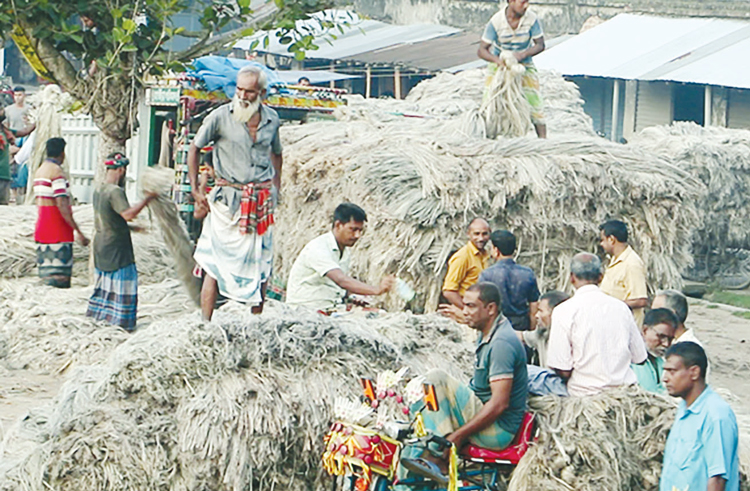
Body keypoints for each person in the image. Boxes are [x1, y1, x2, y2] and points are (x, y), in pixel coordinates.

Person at [189, 65, 283, 320]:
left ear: (261, 92)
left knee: (261, 264)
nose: (242, 96)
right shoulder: (220, 116)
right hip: (226, 202)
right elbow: (194, 149)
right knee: (213, 264)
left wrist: (277, 187)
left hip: (260, 200)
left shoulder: (272, 119)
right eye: (239, 89)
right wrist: (196, 191)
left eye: (249, 91)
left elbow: (277, 153)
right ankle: (205, 324)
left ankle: (255, 323)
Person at [404, 282, 528, 474]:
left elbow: (499, 404)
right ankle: (420, 468)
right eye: (464, 305)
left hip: (498, 431)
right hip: (483, 413)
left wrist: (458, 436)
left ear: (491, 309)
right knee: (422, 407)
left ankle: (437, 456)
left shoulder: (501, 344)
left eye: (471, 306)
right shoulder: (487, 332)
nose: (465, 311)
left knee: (436, 378)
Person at [546, 252, 648, 397]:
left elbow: (563, 368)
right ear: (600, 277)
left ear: (571, 278)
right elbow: (640, 357)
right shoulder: (621, 308)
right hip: (624, 395)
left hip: (583, 396)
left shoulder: (563, 311)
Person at [86, 153, 156, 330]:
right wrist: (148, 199)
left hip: (101, 245)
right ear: (121, 169)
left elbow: (109, 219)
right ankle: (120, 322)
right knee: (122, 282)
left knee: (104, 284)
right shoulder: (115, 192)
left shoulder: (99, 190)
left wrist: (133, 229)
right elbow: (128, 214)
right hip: (116, 248)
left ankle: (101, 316)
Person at [285, 203, 394, 312]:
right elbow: (340, 280)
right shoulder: (318, 248)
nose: (357, 236)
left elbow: (336, 286)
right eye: (353, 229)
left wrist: (354, 296)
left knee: (379, 313)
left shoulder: (345, 252)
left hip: (332, 308)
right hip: (307, 309)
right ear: (338, 225)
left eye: (360, 231)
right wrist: (377, 290)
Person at [661, 342, 739, 491]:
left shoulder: (716, 415)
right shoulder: (684, 408)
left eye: (672, 371)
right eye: (665, 371)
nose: (665, 378)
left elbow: (717, 479)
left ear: (694, 372)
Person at [478, 0, 547, 138]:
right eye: (522, 2)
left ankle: (543, 140)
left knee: (534, 100)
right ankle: (486, 135)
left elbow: (540, 45)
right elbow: (482, 50)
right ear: (511, 1)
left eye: (527, 2)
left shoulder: (531, 19)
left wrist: (522, 55)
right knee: (489, 101)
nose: (526, 5)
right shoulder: (496, 22)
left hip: (524, 64)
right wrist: (498, 61)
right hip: (500, 64)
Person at [32, 137, 89, 287]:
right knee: (60, 281)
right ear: (62, 153)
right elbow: (62, 203)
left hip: (42, 229)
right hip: (58, 230)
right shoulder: (56, 172)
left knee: (46, 282)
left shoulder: (40, 171)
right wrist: (78, 230)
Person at [477, 230, 540, 331]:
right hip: (521, 327)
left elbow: (481, 306)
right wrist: (531, 332)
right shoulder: (528, 273)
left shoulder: (486, 275)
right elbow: (534, 308)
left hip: (496, 328)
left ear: (496, 250)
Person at [599, 219, 648, 326]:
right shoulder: (615, 260)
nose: (601, 244)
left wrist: (611, 306)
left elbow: (641, 300)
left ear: (611, 239)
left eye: (603, 240)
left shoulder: (631, 263)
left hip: (626, 328)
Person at [441, 218, 491, 309]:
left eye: (485, 234)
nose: (481, 238)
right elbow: (449, 291)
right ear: (468, 234)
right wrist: (467, 310)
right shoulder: (462, 257)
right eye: (476, 234)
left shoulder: (487, 255)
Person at [631, 308, 678, 394]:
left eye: (670, 339)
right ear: (645, 331)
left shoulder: (663, 362)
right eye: (661, 336)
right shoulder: (629, 361)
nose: (666, 344)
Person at [518, 290, 569, 367]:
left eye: (541, 311)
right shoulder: (541, 335)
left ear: (556, 313)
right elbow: (521, 336)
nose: (537, 315)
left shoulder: (572, 340)